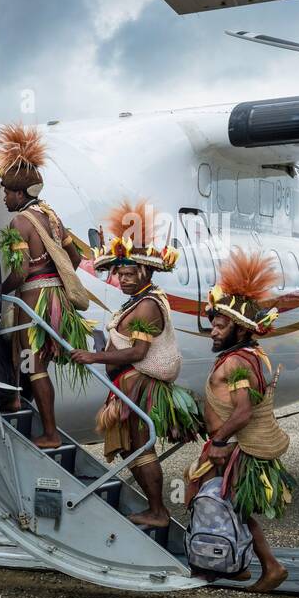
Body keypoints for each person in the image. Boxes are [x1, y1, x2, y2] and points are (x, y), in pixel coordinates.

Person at [70, 200, 204, 527]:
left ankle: (158, 511)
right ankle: (155, 508)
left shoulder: (147, 306)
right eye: (120, 273)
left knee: (140, 449)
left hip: (138, 386)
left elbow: (137, 354)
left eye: (129, 273)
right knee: (133, 449)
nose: (123, 279)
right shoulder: (138, 301)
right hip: (128, 386)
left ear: (144, 271)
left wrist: (94, 355)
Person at [184, 249, 295, 592]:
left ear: (239, 328)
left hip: (233, 448)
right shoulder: (248, 355)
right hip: (228, 445)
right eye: (214, 324)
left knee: (219, 503)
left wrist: (218, 442)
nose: (213, 332)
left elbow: (244, 410)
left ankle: (257, 565)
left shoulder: (236, 363)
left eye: (220, 325)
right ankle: (237, 566)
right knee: (227, 506)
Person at [0, 122, 93, 448]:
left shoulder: (20, 222)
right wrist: (53, 280)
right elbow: (74, 258)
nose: (4, 197)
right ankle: (18, 401)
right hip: (55, 299)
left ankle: (49, 433)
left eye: (7, 191)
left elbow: (20, 274)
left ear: (20, 193)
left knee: (33, 365)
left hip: (34, 299)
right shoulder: (52, 217)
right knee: (30, 358)